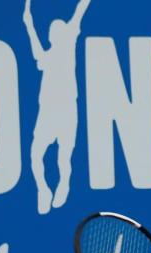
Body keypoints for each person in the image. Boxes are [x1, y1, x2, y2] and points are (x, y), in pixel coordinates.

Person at [22, 0, 91, 214]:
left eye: (56, 29)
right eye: (51, 30)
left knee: (63, 157)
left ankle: (63, 184)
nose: (52, 32)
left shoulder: (69, 43)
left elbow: (80, 10)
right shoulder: (46, 57)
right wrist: (28, 22)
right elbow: (34, 41)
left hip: (68, 110)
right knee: (35, 155)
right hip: (47, 112)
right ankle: (43, 189)